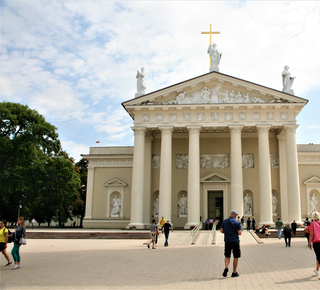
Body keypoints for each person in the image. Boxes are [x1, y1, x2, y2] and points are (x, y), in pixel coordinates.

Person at [220, 210, 242, 278]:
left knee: (227, 255)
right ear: (235, 215)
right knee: (236, 256)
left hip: (227, 241)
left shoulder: (225, 221)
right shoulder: (237, 222)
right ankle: (234, 272)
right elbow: (239, 233)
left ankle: (226, 267)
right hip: (235, 241)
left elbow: (221, 230)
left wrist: (227, 233)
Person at [309, 211, 320, 279]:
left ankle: (317, 270)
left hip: (316, 242)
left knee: (319, 256)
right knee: (318, 256)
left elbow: (311, 234)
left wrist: (309, 243)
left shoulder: (313, 224)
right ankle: (317, 270)